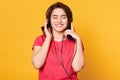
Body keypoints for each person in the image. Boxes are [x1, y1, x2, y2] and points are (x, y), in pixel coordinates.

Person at [32, 2, 84, 80]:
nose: (59, 21)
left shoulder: (75, 42)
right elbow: (37, 64)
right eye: (55, 17)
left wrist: (78, 39)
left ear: (69, 21)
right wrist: (48, 38)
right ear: (49, 20)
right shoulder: (40, 40)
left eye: (63, 17)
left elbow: (77, 67)